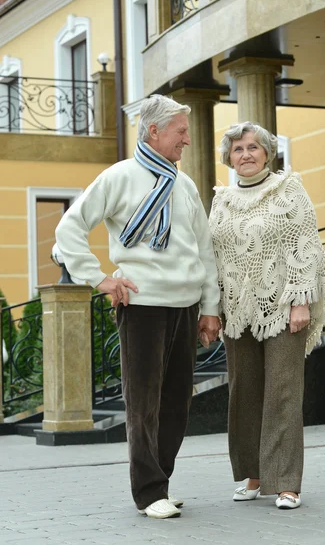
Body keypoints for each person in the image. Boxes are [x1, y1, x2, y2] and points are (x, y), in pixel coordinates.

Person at [55, 95, 220, 519]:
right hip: (142, 304)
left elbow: (204, 249)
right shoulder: (119, 177)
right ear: (154, 132)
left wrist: (210, 308)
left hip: (185, 306)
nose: (187, 138)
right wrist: (100, 278)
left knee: (177, 403)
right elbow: (69, 228)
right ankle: (148, 493)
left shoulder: (185, 185)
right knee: (143, 402)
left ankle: (160, 482)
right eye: (181, 131)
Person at [209, 122, 325, 510]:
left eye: (252, 148)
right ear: (228, 157)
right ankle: (253, 473)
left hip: (282, 305)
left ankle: (285, 482)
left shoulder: (288, 190)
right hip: (237, 310)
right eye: (237, 149)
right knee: (243, 392)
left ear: (267, 152)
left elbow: (305, 245)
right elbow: (213, 258)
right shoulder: (221, 200)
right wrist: (210, 310)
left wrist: (300, 300)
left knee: (282, 392)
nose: (245, 155)